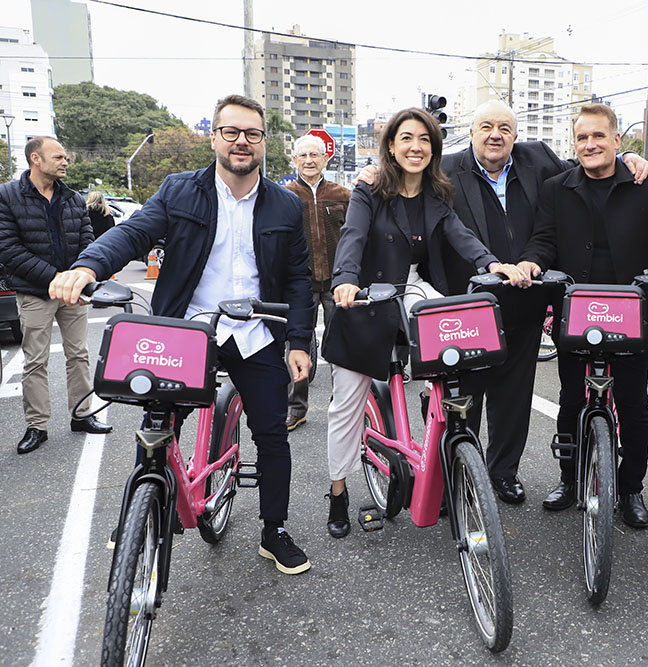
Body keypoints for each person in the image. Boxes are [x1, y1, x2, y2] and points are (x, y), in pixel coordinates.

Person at [49, 94, 315, 575]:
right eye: (230, 132)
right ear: (214, 137)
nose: (241, 142)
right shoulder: (180, 190)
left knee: (273, 435)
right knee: (158, 423)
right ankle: (148, 506)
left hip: (255, 333)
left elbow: (299, 277)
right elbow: (132, 234)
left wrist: (299, 341)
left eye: (252, 134)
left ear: (263, 143)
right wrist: (87, 266)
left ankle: (273, 530)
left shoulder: (285, 205)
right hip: (189, 328)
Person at [356, 99, 648, 506]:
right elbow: (404, 186)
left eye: (504, 127)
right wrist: (376, 171)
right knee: (462, 397)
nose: (495, 135)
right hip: (466, 305)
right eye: (486, 127)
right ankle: (455, 477)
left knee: (514, 399)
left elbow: (591, 163)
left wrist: (629, 157)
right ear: (472, 132)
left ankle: (503, 474)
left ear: (516, 136)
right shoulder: (445, 170)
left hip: (524, 298)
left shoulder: (539, 161)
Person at [321, 107, 526, 538]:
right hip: (365, 296)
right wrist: (344, 282)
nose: (416, 147)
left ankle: (445, 435)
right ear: (391, 147)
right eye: (407, 139)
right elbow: (354, 237)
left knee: (461, 332)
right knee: (347, 403)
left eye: (425, 140)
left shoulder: (437, 194)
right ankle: (338, 490)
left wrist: (494, 264)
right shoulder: (370, 190)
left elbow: (460, 236)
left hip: (410, 288)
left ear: (433, 148)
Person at [517, 103, 648, 528]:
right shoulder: (557, 187)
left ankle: (631, 490)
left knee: (633, 403)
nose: (590, 144)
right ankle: (569, 479)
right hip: (575, 309)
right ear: (575, 144)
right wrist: (533, 262)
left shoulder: (647, 185)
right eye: (581, 138)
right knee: (571, 399)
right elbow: (543, 239)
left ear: (616, 141)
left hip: (632, 311)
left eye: (597, 136)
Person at [0, 136, 112, 455]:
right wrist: (56, 278)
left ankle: (82, 415)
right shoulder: (7, 196)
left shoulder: (73, 198)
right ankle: (37, 426)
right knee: (36, 359)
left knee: (79, 354)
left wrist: (78, 275)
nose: (65, 162)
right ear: (36, 159)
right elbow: (8, 249)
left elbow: (87, 241)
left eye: (66, 157)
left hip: (73, 291)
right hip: (35, 290)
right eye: (59, 157)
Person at [283, 134, 351, 431]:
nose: (309, 161)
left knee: (343, 346)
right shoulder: (283, 196)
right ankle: (296, 408)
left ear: (326, 159)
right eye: (303, 156)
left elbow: (355, 237)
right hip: (300, 284)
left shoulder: (343, 195)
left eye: (315, 155)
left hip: (338, 283)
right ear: (294, 160)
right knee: (295, 348)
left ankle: (345, 406)